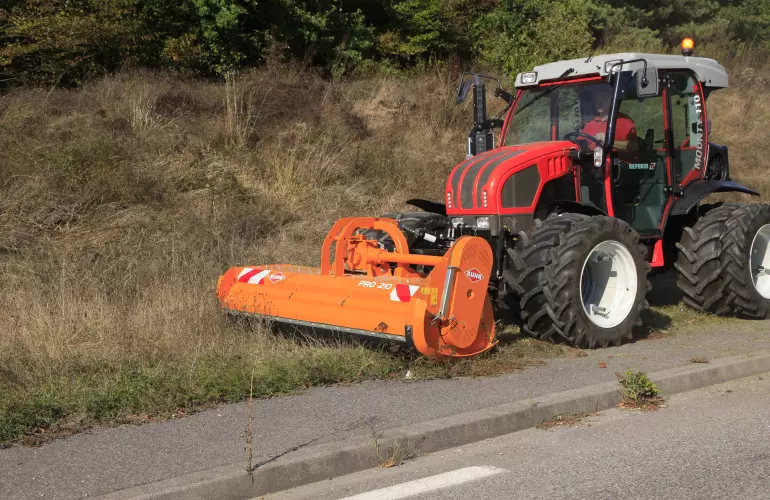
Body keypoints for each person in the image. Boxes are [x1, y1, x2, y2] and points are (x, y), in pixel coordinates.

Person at [581, 85, 638, 152]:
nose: (599, 102)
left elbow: (635, 146)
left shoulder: (625, 121)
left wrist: (609, 142)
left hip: (617, 161)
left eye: (603, 99)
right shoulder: (589, 124)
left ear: (612, 101)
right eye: (597, 100)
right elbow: (578, 145)